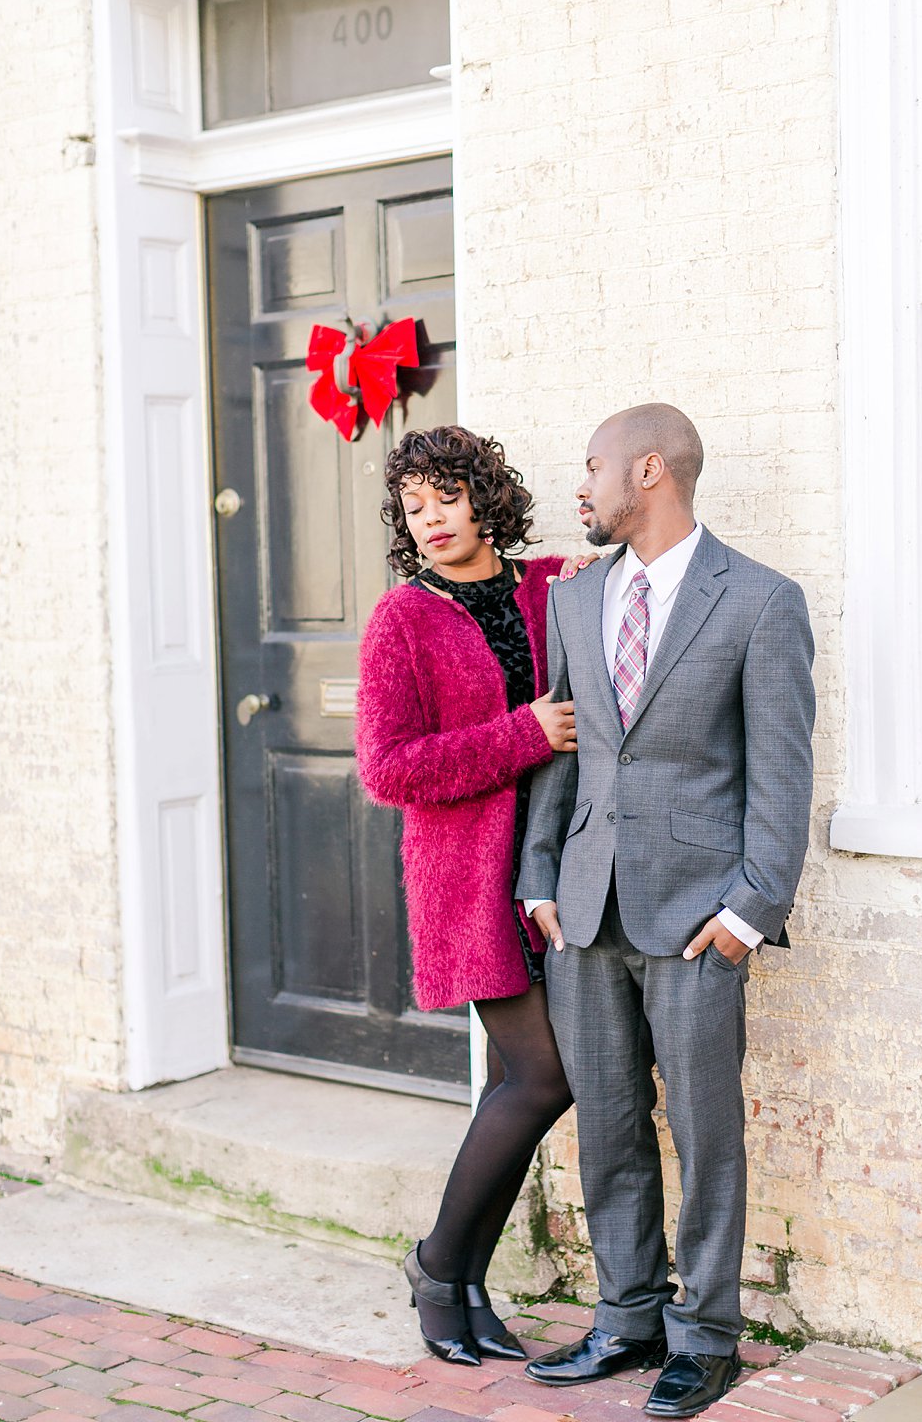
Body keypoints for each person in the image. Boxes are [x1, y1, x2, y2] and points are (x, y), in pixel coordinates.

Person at [513, 404, 815, 1419]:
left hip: (697, 922)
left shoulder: (761, 603)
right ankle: (625, 1317)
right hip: (584, 915)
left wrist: (747, 910)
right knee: (606, 1125)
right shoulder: (573, 596)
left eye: (592, 466)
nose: (582, 486)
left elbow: (781, 774)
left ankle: (706, 1336)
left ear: (648, 471)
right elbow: (568, 750)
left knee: (703, 1130)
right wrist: (538, 878)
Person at [354, 425, 578, 1365]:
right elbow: (388, 769)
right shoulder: (401, 619)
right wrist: (524, 733)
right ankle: (438, 1264)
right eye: (414, 507)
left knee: (508, 1085)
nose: (432, 519)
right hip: (470, 884)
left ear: (484, 495)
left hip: (561, 870)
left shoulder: (549, 586)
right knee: (544, 1077)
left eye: (446, 496)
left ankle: (465, 1279)